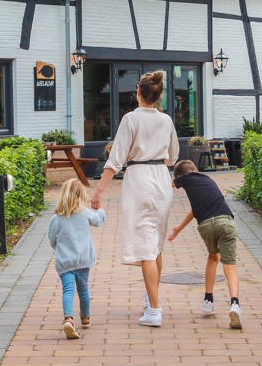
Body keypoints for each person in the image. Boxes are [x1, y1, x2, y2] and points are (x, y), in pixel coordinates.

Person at [91, 70, 179, 327]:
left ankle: (154, 309)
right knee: (156, 244)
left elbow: (116, 159)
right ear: (158, 95)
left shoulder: (131, 119)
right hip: (161, 179)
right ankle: (151, 297)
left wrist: (99, 191)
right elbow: (173, 156)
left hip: (139, 179)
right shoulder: (166, 120)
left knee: (146, 247)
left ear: (138, 93)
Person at [168, 159, 242, 329]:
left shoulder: (186, 178)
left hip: (207, 225)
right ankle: (235, 304)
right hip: (226, 221)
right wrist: (178, 228)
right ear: (196, 169)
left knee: (212, 258)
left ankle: (208, 300)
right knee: (230, 266)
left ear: (181, 175)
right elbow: (196, 208)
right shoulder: (208, 180)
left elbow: (166, 186)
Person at [48, 178, 105, 339]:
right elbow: (98, 219)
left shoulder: (56, 219)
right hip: (83, 261)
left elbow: (52, 239)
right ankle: (85, 318)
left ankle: (68, 319)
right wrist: (100, 209)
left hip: (65, 262)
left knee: (68, 290)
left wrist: (59, 249)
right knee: (83, 289)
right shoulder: (85, 214)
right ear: (82, 196)